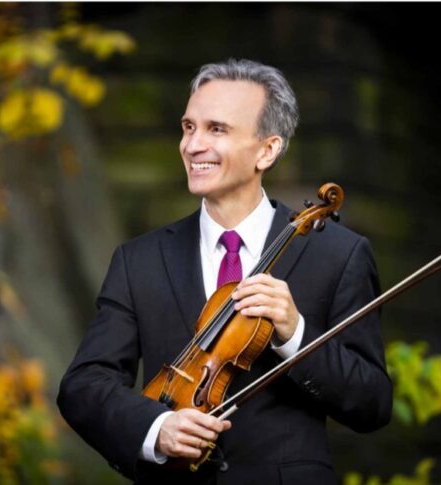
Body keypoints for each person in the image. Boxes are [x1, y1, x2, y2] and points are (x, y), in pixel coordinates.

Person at [57, 59, 392, 485]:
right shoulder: (138, 259)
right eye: (189, 127)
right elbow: (84, 385)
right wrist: (156, 428)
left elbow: (372, 403)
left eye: (216, 129)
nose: (193, 145)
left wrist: (296, 334)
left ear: (267, 150)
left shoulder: (338, 254)